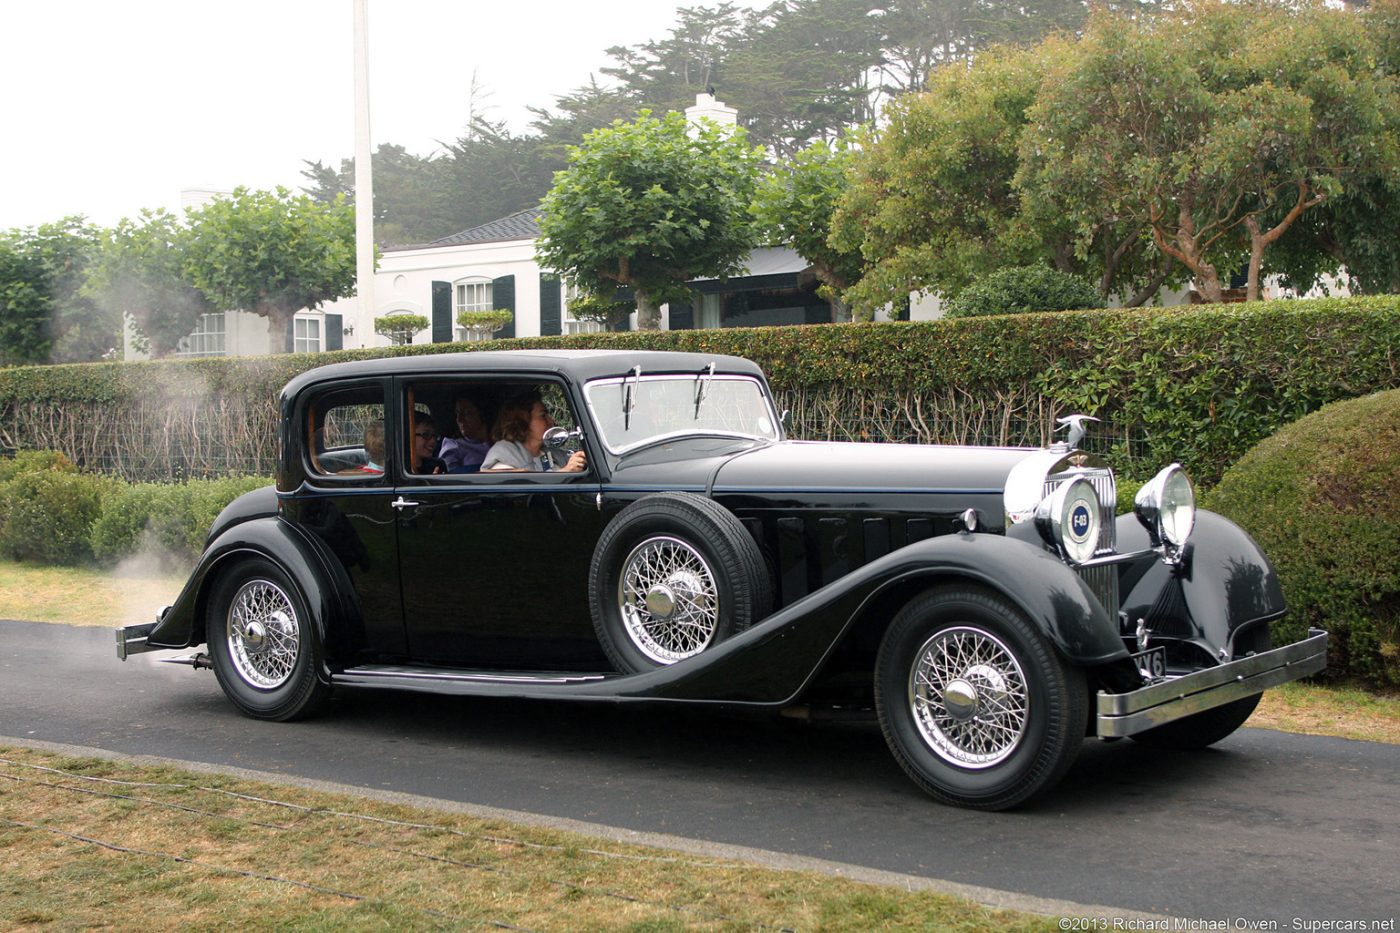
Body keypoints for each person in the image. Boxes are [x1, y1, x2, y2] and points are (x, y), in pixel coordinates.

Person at [482, 390, 586, 473]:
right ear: (523, 421)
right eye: (543, 416)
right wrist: (565, 472)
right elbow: (518, 488)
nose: (551, 421)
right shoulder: (504, 454)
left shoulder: (548, 453)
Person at [438, 395, 491, 473]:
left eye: (466, 413)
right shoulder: (452, 446)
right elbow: (449, 477)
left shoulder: (500, 444)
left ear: (482, 414)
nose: (459, 419)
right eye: (457, 413)